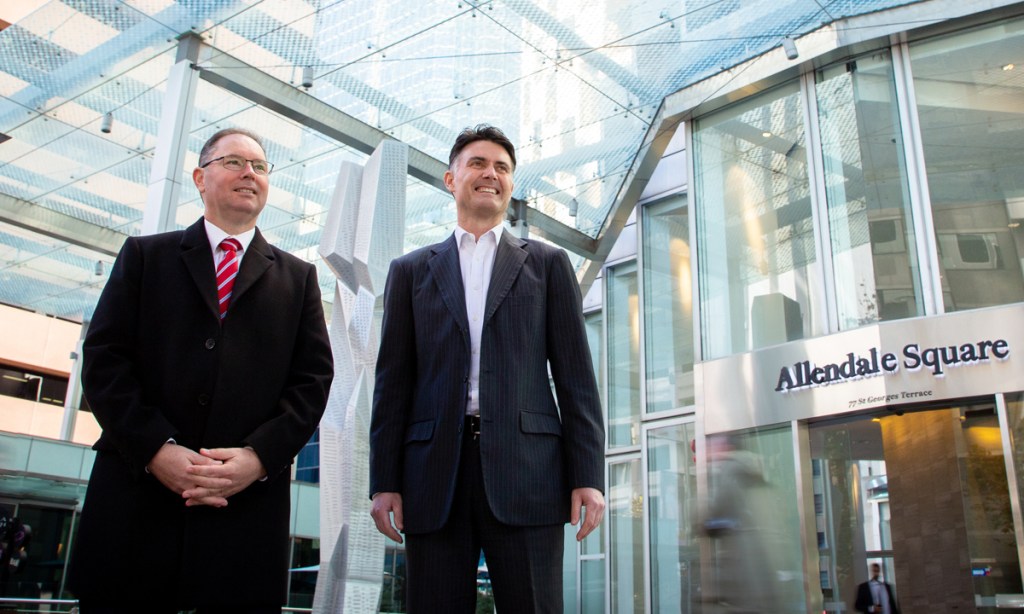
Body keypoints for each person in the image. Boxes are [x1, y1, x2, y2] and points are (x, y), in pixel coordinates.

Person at [67, 128, 334, 613]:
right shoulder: (146, 256)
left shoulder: (299, 279)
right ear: (199, 176)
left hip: (243, 517)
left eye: (260, 165)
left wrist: (257, 459)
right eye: (234, 161)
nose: (249, 173)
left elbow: (312, 383)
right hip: (136, 507)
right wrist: (156, 449)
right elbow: (105, 361)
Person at [369, 124, 605, 613]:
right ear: (449, 179)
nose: (490, 174)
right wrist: (384, 481)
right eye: (477, 163)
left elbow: (576, 380)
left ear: (511, 185)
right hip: (434, 478)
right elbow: (392, 385)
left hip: (530, 473)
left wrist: (588, 475)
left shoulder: (548, 264)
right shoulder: (410, 271)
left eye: (502, 167)